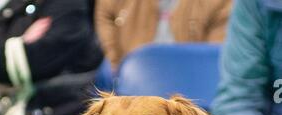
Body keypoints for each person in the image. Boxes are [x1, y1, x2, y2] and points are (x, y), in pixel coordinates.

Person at [95, 0, 232, 70]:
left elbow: (213, 60)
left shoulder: (220, 3)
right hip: (135, 82)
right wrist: (116, 62)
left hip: (193, 87)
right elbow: (105, 16)